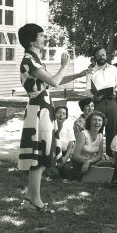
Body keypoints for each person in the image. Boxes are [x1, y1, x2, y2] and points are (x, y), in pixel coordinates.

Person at [18, 23, 87, 213]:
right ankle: (35, 200)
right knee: (39, 154)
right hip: (39, 110)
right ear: (32, 40)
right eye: (41, 36)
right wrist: (64, 65)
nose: (43, 39)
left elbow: (52, 82)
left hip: (43, 108)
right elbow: (55, 81)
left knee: (41, 154)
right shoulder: (29, 60)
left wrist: (77, 74)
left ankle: (31, 199)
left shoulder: (34, 59)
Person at [85, 46, 117, 157]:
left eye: (103, 54)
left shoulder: (113, 69)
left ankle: (111, 156)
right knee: (97, 129)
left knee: (112, 130)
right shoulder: (90, 71)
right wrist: (93, 96)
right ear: (95, 57)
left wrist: (116, 92)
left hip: (111, 102)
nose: (101, 57)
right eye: (99, 55)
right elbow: (87, 90)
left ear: (106, 55)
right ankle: (97, 156)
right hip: (98, 103)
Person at [71, 111, 109, 181]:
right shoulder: (82, 134)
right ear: (89, 122)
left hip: (91, 162)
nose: (97, 122)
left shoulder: (100, 136)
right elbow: (75, 156)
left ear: (102, 123)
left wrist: (89, 162)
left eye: (100, 120)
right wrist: (86, 162)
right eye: (94, 120)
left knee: (109, 163)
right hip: (79, 162)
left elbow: (99, 156)